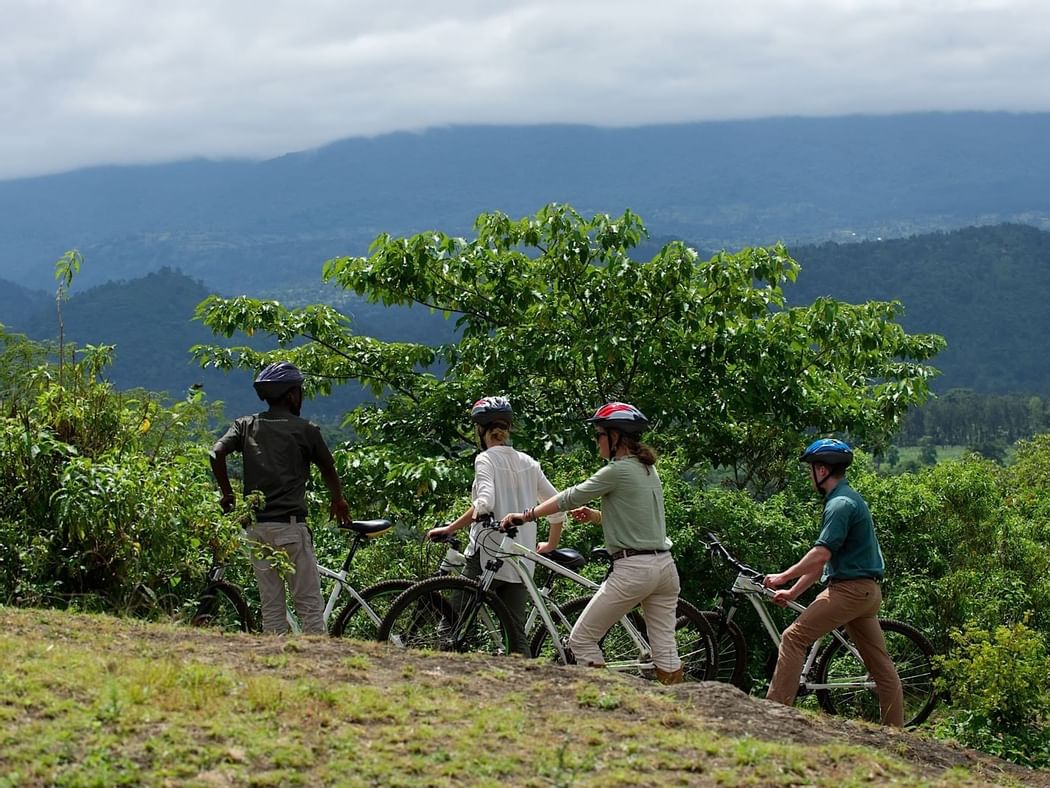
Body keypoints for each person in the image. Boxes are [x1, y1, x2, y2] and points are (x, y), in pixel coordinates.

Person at [500, 402, 684, 684]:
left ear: (615, 437)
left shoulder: (617, 470)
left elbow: (570, 497)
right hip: (664, 568)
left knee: (582, 640)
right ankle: (677, 711)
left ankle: (601, 702)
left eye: (599, 434)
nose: (596, 440)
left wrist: (525, 515)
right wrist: (598, 516)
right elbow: (639, 520)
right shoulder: (647, 469)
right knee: (666, 652)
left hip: (634, 570)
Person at [763, 438, 904, 726]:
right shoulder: (849, 498)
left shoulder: (839, 504)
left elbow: (821, 554)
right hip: (867, 592)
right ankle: (896, 732)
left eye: (811, 469)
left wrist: (782, 576)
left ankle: (774, 716)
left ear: (823, 470)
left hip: (849, 591)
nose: (809, 475)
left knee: (793, 638)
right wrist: (792, 591)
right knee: (881, 667)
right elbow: (824, 563)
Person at [209, 361, 351, 635]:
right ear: (291, 394)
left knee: (271, 604)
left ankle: (277, 664)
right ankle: (317, 663)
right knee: (308, 603)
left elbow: (216, 453)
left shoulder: (246, 425)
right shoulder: (306, 429)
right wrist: (338, 500)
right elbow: (328, 469)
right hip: (290, 527)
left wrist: (227, 492)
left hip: (256, 529)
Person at [426, 396, 565, 652]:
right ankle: (523, 684)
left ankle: (437, 679)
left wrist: (460, 522)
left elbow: (485, 502)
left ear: (480, 430)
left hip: (487, 556)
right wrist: (550, 543)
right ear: (507, 430)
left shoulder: (485, 459)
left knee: (451, 625)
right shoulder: (529, 463)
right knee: (516, 634)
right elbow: (557, 507)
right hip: (521, 560)